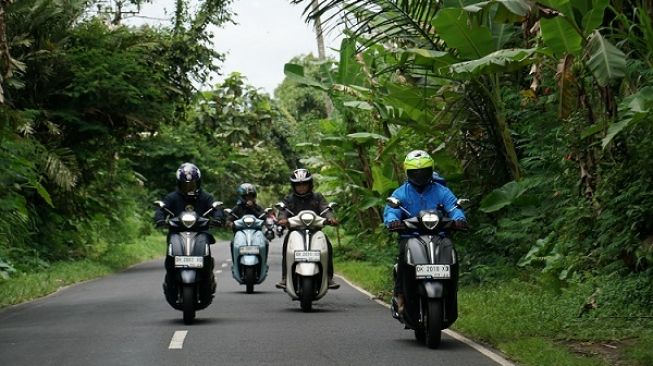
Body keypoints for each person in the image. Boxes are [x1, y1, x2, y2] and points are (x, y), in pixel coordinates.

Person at [383, 150, 468, 314]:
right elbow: (392, 210)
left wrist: (459, 219)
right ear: (408, 172)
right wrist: (392, 221)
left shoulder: (441, 191)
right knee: (403, 258)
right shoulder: (401, 192)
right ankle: (400, 294)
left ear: (431, 170)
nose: (420, 175)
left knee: (452, 255)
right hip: (411, 236)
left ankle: (451, 293)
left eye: (424, 171)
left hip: (440, 235)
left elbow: (453, 207)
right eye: (416, 172)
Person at [275, 168, 340, 290]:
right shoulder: (289, 199)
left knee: (327, 244)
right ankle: (285, 277)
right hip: (295, 231)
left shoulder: (317, 197)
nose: (301, 187)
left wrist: (330, 218)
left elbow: (325, 209)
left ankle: (329, 277)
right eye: (298, 184)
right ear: (293, 186)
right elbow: (283, 211)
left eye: (304, 184)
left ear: (310, 184)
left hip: (315, 231)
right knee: (286, 244)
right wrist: (282, 219)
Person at [154, 162, 225, 229]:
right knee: (172, 239)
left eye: (192, 185)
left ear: (198, 183)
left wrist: (218, 218)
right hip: (176, 232)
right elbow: (162, 209)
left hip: (201, 232)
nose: (188, 188)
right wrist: (160, 219)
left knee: (205, 238)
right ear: (179, 184)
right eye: (185, 185)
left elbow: (215, 208)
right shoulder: (172, 197)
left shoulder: (206, 197)